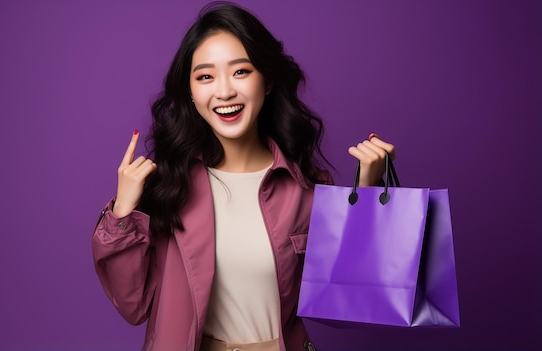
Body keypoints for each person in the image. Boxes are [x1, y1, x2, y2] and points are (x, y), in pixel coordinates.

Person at [92, 2, 395, 350]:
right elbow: (134, 306)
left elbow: (347, 309)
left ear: (266, 81)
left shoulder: (306, 189)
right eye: (205, 76)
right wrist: (122, 215)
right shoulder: (169, 187)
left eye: (241, 72)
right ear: (190, 93)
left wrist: (367, 199)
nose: (224, 92)